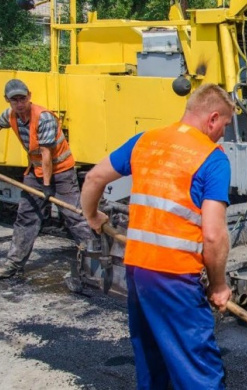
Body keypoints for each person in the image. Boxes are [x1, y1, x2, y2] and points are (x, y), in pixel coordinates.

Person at [80, 84, 234, 389]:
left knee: (152, 359)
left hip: (137, 271)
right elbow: (214, 235)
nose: (223, 135)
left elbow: (94, 177)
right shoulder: (212, 158)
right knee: (197, 365)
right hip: (175, 276)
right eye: (225, 126)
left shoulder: (146, 140)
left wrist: (93, 217)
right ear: (212, 119)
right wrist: (218, 285)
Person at [0, 79, 93, 279]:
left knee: (74, 217)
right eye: (14, 99)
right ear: (7, 100)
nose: (19, 103)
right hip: (36, 171)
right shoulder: (10, 116)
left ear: (29, 96)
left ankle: (96, 262)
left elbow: (46, 154)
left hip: (61, 172)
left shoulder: (44, 118)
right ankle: (14, 264)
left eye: (22, 98)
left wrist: (46, 186)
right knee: (26, 217)